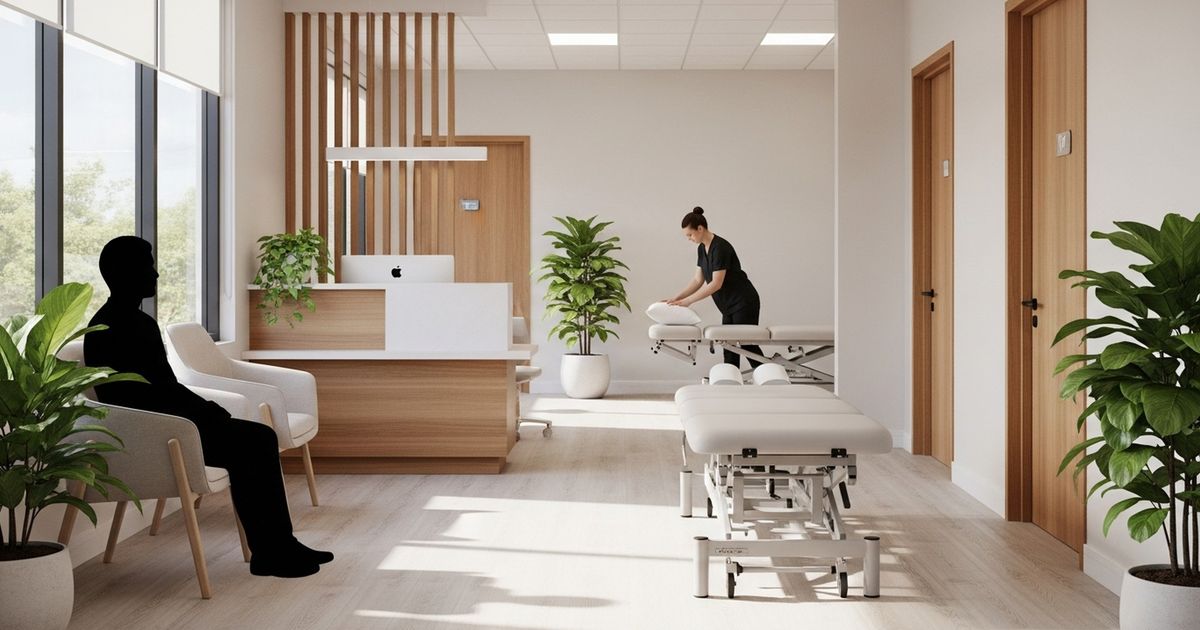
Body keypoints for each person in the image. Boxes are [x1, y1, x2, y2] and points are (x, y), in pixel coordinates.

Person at [84, 236, 333, 578]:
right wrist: (205, 413)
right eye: (147, 266)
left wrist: (205, 409)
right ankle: (271, 550)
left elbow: (163, 387)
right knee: (256, 441)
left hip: (170, 424)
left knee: (259, 437)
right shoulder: (112, 328)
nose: (155, 274)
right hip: (158, 435)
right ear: (122, 273)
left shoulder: (136, 322)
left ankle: (279, 545)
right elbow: (134, 397)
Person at [665, 207, 763, 369]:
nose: (688, 238)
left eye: (690, 234)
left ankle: (771, 377)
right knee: (729, 346)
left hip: (743, 302)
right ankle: (730, 383)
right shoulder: (702, 249)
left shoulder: (720, 247)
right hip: (728, 306)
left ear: (700, 228)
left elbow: (716, 283)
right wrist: (677, 298)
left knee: (747, 345)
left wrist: (689, 301)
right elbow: (698, 280)